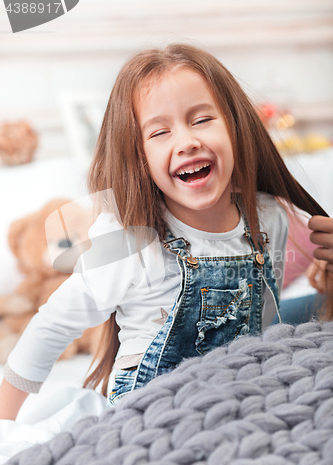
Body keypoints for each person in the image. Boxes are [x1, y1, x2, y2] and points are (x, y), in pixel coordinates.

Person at [0, 44, 331, 419]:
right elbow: (53, 325)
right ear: (138, 157)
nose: (186, 141)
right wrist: (5, 422)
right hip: (151, 411)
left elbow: (264, 323)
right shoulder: (128, 236)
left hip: (240, 394)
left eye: (202, 119)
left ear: (236, 128)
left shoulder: (268, 217)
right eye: (159, 132)